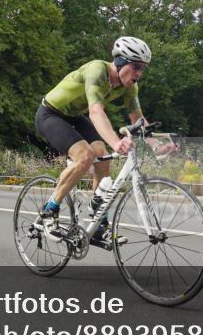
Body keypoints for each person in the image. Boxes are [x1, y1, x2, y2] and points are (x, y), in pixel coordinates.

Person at [34, 36, 177, 248]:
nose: (139, 73)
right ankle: (48, 211)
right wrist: (116, 142)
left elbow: (137, 119)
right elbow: (95, 111)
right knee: (85, 156)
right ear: (120, 61)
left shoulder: (129, 87)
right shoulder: (96, 70)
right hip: (51, 114)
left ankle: (98, 225)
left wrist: (157, 145)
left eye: (143, 68)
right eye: (136, 66)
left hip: (75, 116)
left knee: (102, 159)